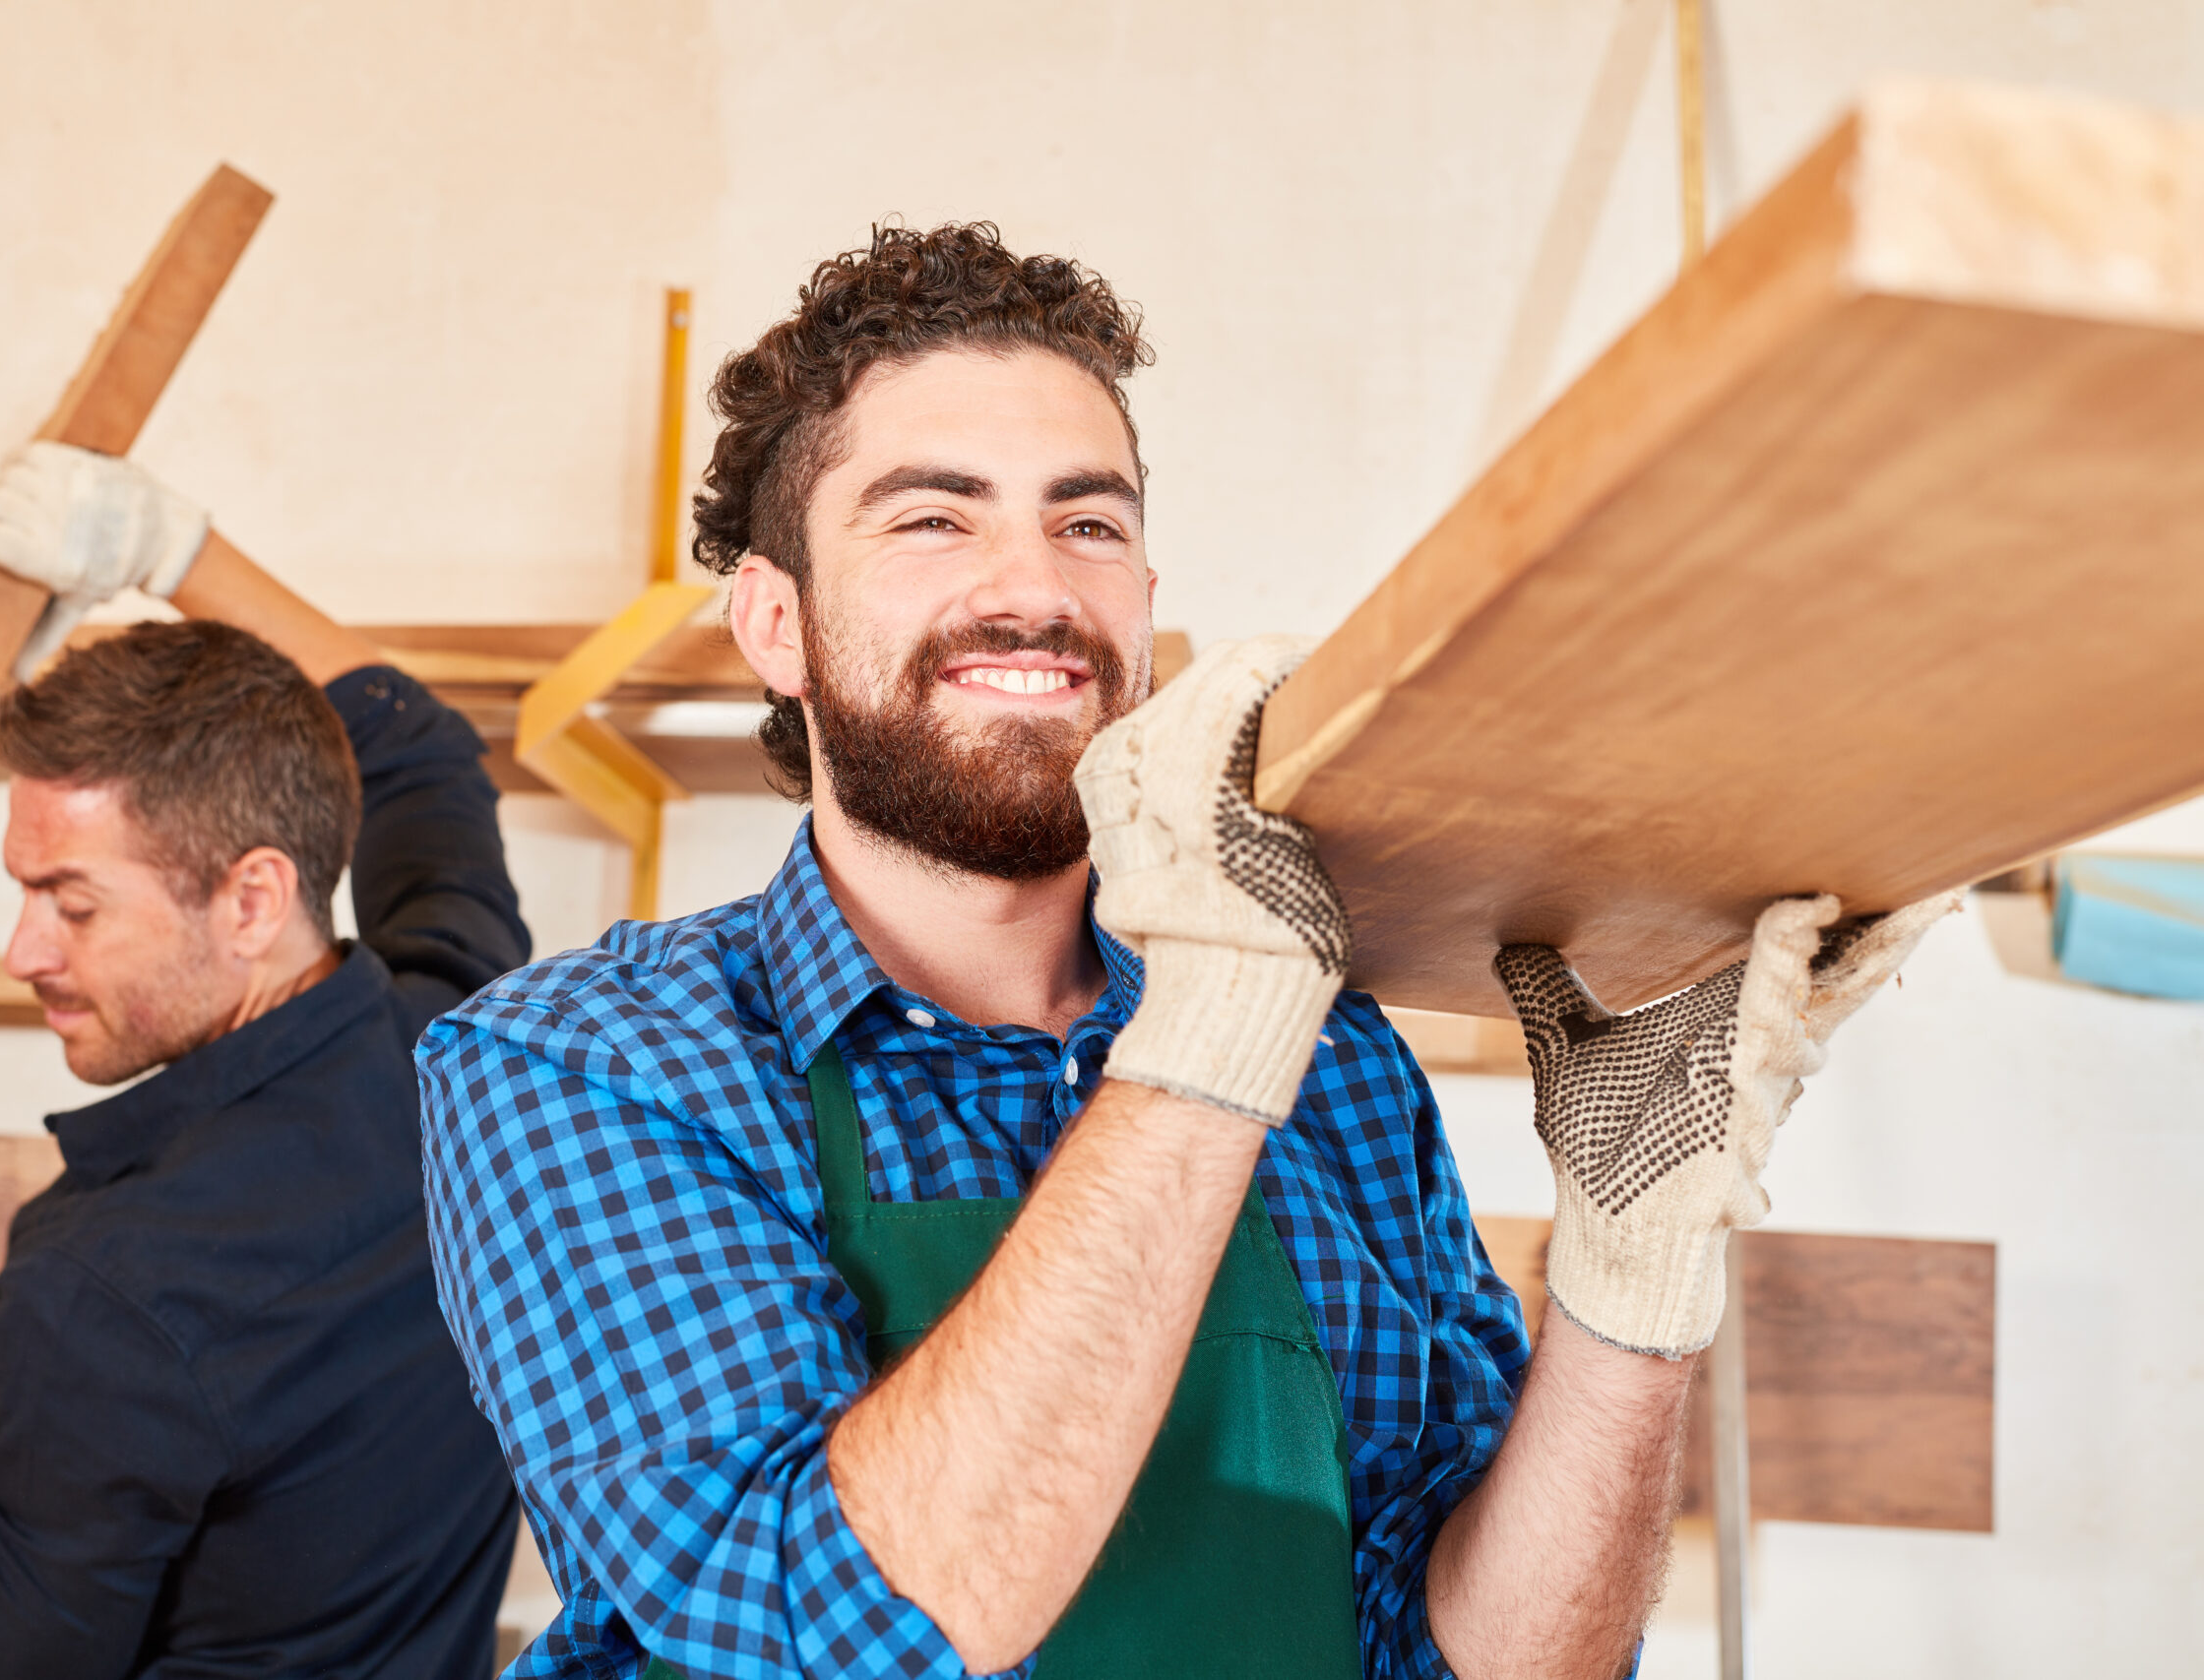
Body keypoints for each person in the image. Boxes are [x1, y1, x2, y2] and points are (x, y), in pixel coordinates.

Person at [412, 223, 1954, 1680]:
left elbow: (1479, 1654)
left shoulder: (1334, 1057)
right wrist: (1211, 1042)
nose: (1033, 586)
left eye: (1089, 522)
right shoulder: (589, 1062)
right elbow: (839, 1633)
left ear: (1149, 599)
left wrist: (1629, 1288)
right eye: (933, 516)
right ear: (773, 619)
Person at [0, 454, 530, 1679]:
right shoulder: (464, 1058)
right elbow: (414, 746)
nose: (21, 949)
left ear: (252, 898)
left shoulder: (115, 1291)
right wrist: (167, 547)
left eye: (71, 903)